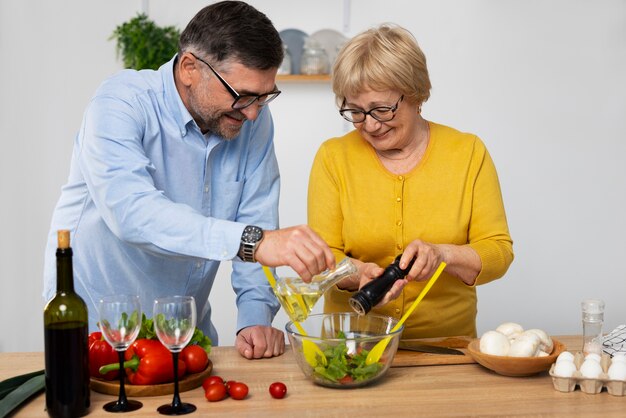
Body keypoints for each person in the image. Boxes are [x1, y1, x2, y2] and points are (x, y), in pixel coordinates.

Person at [43, 1, 335, 359]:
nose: (254, 111)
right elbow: (132, 213)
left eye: (264, 96)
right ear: (189, 68)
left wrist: (255, 317)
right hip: (97, 331)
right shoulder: (120, 103)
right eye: (243, 95)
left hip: (183, 331)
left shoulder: (253, 119)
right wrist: (254, 242)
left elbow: (257, 216)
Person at [307, 24, 514, 339]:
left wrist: (443, 255)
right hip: (352, 348)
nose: (371, 125)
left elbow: (498, 252)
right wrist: (358, 273)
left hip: (445, 347)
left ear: (417, 94)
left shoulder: (467, 152)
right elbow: (323, 259)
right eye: (357, 111)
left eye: (382, 109)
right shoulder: (333, 157)